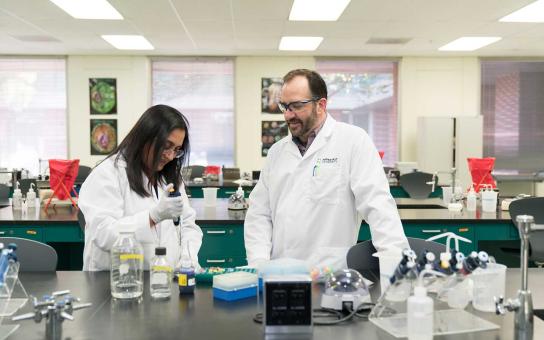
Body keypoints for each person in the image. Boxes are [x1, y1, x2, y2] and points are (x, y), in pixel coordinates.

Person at [244, 69, 408, 270]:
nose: (287, 115)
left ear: (321, 105)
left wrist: (397, 274)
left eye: (296, 106)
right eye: (284, 106)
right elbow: (259, 214)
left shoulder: (353, 141)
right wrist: (259, 264)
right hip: (280, 274)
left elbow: (379, 208)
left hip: (331, 275)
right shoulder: (277, 152)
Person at [79, 104, 202, 271]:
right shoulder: (107, 174)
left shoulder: (170, 176)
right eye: (166, 146)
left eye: (176, 150)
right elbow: (104, 235)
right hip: (114, 284)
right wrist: (153, 217)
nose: (170, 156)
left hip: (163, 282)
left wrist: (188, 259)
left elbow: (187, 225)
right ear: (145, 137)